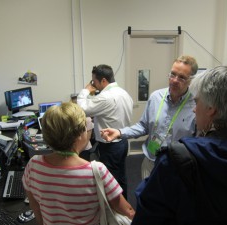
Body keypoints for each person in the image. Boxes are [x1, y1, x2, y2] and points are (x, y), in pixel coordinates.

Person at [131, 66, 227, 225]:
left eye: (197, 102)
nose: (195, 109)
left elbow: (147, 217)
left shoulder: (175, 161)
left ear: (211, 109)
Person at [22, 102, 135, 225]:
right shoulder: (96, 171)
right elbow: (127, 211)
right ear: (80, 134)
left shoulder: (33, 165)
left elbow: (35, 207)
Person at [101, 55, 198, 179]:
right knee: (146, 198)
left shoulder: (196, 105)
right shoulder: (156, 97)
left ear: (191, 80)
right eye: (172, 74)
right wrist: (119, 132)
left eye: (182, 78)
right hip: (150, 163)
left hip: (178, 168)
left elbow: (198, 141)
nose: (174, 80)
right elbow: (143, 126)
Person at [77, 64, 133, 198]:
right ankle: (123, 204)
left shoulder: (106, 96)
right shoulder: (123, 93)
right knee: (121, 176)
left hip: (110, 146)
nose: (94, 85)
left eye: (94, 82)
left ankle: (113, 212)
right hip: (123, 141)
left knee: (110, 181)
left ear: (103, 80)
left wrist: (85, 90)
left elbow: (82, 109)